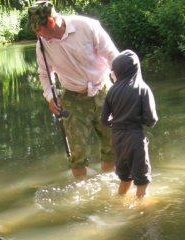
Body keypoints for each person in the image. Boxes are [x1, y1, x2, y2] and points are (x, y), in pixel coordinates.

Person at [28, 0, 119, 179]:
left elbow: (113, 58)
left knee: (112, 146)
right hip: (72, 98)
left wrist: (122, 91)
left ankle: (111, 186)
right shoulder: (41, 44)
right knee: (77, 155)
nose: (37, 34)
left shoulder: (87, 26)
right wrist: (50, 97)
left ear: (51, 22)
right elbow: (45, 74)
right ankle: (82, 195)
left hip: (104, 91)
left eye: (39, 29)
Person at [101, 50, 158, 198]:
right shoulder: (142, 88)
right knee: (142, 180)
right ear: (136, 68)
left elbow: (104, 120)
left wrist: (117, 124)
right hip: (134, 137)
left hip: (117, 139)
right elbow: (151, 119)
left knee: (125, 178)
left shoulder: (111, 91)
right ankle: (140, 215)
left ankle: (119, 203)